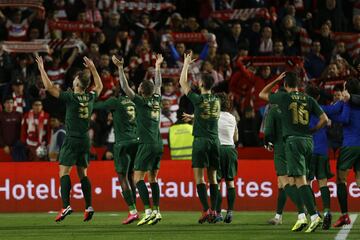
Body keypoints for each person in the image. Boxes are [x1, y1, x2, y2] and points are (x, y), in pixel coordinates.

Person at [35, 55, 103, 222]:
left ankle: (66, 206)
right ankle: (88, 206)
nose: (72, 81)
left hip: (72, 138)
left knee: (64, 172)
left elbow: (49, 87)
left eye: (74, 79)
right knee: (83, 173)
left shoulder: (71, 97)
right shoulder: (90, 97)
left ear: (78, 83)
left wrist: (42, 69)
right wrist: (93, 68)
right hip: (85, 140)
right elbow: (100, 86)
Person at [259, 72, 329, 233]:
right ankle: (304, 218)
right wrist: (313, 130)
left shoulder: (284, 98)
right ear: (299, 84)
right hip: (308, 142)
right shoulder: (308, 99)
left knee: (299, 181)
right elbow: (324, 119)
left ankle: (313, 216)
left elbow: (261, 94)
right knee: (299, 180)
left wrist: (275, 80)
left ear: (285, 85)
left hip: (293, 142)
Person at [113, 54, 163, 226]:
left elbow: (125, 87)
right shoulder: (157, 99)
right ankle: (157, 211)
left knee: (137, 178)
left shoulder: (141, 102)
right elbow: (158, 84)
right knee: (153, 178)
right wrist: (157, 67)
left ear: (141, 91)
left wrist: (120, 68)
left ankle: (148, 211)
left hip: (147, 143)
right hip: (159, 143)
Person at [179, 51, 220, 223]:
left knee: (199, 177)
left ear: (202, 84)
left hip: (201, 141)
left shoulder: (197, 99)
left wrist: (186, 64)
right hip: (214, 141)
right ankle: (216, 212)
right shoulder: (217, 100)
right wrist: (194, 117)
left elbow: (182, 82)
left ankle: (205, 210)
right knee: (213, 178)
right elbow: (210, 115)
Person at [93, 82, 140, 224]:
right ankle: (137, 209)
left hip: (122, 143)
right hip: (136, 141)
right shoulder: (135, 101)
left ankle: (132, 211)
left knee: (122, 176)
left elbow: (96, 106)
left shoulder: (115, 101)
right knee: (131, 176)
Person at [264, 98, 307, 228]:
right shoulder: (294, 107)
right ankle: (278, 216)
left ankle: (303, 211)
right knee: (281, 184)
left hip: (281, 149)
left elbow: (268, 132)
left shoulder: (274, 110)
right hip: (297, 145)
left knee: (285, 182)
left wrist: (267, 143)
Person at [332, 78, 360, 227]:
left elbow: (343, 118)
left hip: (350, 146)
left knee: (341, 180)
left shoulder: (348, 103)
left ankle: (344, 216)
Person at [214, 92, 238, 224]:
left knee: (216, 183)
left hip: (217, 149)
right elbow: (236, 138)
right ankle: (230, 212)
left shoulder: (213, 117)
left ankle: (218, 213)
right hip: (230, 149)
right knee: (230, 182)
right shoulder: (232, 117)